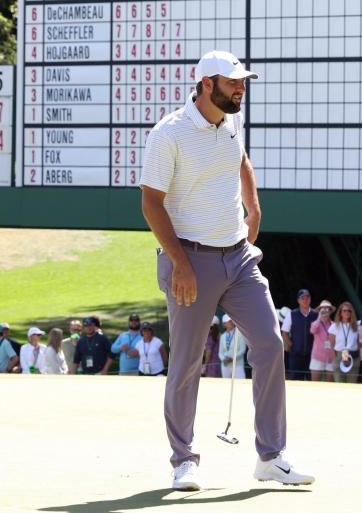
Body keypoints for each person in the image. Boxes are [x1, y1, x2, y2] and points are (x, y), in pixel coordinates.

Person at [140, 51, 312, 488]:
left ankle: (270, 456)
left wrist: (253, 205)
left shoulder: (230, 123)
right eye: (233, 81)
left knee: (271, 344)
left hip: (238, 257)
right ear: (206, 84)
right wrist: (179, 263)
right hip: (190, 261)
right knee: (186, 363)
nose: (241, 88)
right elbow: (151, 203)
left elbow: (240, 162)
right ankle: (184, 460)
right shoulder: (169, 133)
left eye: (243, 81)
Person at [281, 289, 315, 381]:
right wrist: (292, 346)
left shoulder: (316, 315)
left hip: (312, 355)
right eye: (302, 298)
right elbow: (284, 333)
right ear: (298, 300)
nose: (305, 300)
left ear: (310, 299)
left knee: (311, 383)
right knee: (296, 382)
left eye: (307, 298)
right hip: (295, 356)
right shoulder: (292, 314)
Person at [328, 302, 360, 383]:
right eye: (344, 310)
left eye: (349, 311)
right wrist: (334, 357)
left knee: (351, 385)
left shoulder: (357, 326)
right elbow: (331, 344)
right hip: (339, 355)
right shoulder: (334, 326)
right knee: (339, 384)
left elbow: (358, 342)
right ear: (340, 313)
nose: (347, 313)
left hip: (353, 356)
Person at [309, 300, 335, 382]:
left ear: (330, 311)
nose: (325, 311)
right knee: (315, 384)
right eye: (322, 309)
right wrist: (319, 317)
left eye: (327, 309)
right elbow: (312, 331)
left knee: (330, 385)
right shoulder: (315, 323)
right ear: (319, 310)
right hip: (317, 357)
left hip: (331, 357)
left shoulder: (334, 324)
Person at [219, 314, 247, 379]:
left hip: (237, 365)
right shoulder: (222, 336)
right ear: (224, 324)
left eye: (231, 321)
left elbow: (243, 349)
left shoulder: (240, 333)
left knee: (240, 385)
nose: (231, 322)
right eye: (229, 321)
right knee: (226, 386)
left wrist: (232, 358)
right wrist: (223, 359)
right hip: (225, 365)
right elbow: (220, 352)